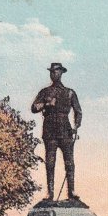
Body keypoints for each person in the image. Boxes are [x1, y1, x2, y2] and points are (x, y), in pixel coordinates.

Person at [31, 62, 82, 200]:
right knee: (50, 162)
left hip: (65, 130)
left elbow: (78, 111)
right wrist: (47, 104)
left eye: (56, 71)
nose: (54, 74)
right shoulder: (45, 92)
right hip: (50, 130)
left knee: (69, 162)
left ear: (61, 73)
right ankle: (50, 193)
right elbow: (34, 108)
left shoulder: (70, 93)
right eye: (52, 72)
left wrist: (76, 126)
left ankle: (71, 192)